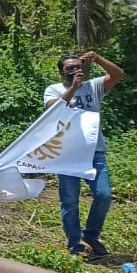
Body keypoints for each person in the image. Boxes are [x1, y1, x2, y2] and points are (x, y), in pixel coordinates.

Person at [46, 50, 124, 259]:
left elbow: (117, 75)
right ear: (62, 72)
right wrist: (73, 88)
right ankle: (74, 244)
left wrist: (98, 59)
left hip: (94, 150)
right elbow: (53, 111)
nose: (74, 70)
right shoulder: (53, 90)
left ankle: (90, 234)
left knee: (104, 194)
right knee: (70, 200)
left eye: (78, 67)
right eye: (69, 68)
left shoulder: (94, 86)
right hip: (67, 152)